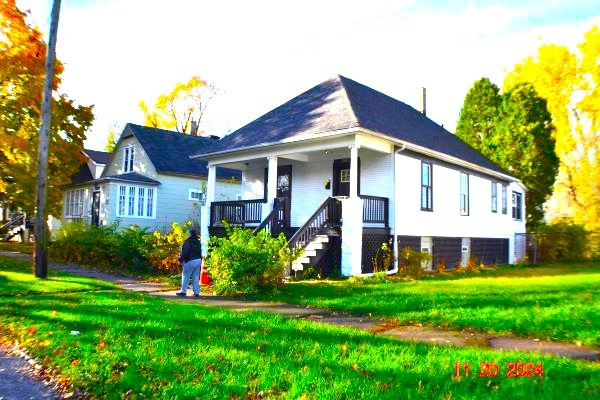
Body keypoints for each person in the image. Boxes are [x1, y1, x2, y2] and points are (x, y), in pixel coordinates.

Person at [176, 228, 202, 297]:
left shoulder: (188, 242)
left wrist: (180, 259)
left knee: (185, 275)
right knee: (196, 276)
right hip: (198, 260)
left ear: (189, 234)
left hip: (190, 260)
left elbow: (185, 252)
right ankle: (196, 292)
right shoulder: (198, 241)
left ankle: (183, 291)